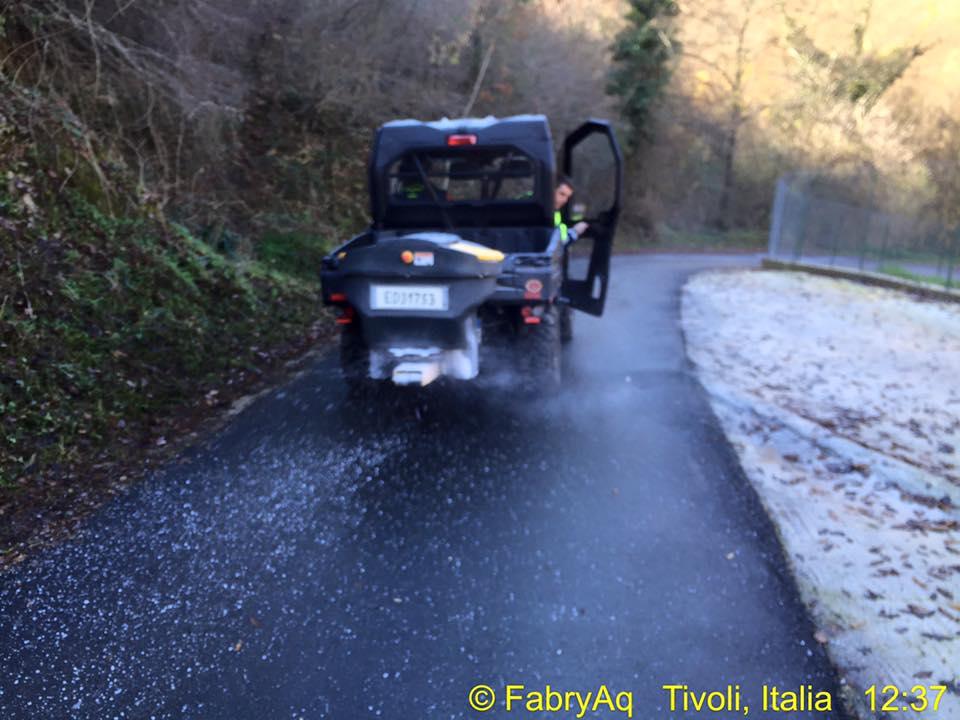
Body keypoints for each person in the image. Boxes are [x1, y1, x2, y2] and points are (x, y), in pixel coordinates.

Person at [554, 174, 588, 245]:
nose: (565, 200)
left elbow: (561, 237)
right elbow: (559, 242)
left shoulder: (556, 213)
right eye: (562, 194)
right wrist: (575, 231)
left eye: (567, 197)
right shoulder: (535, 209)